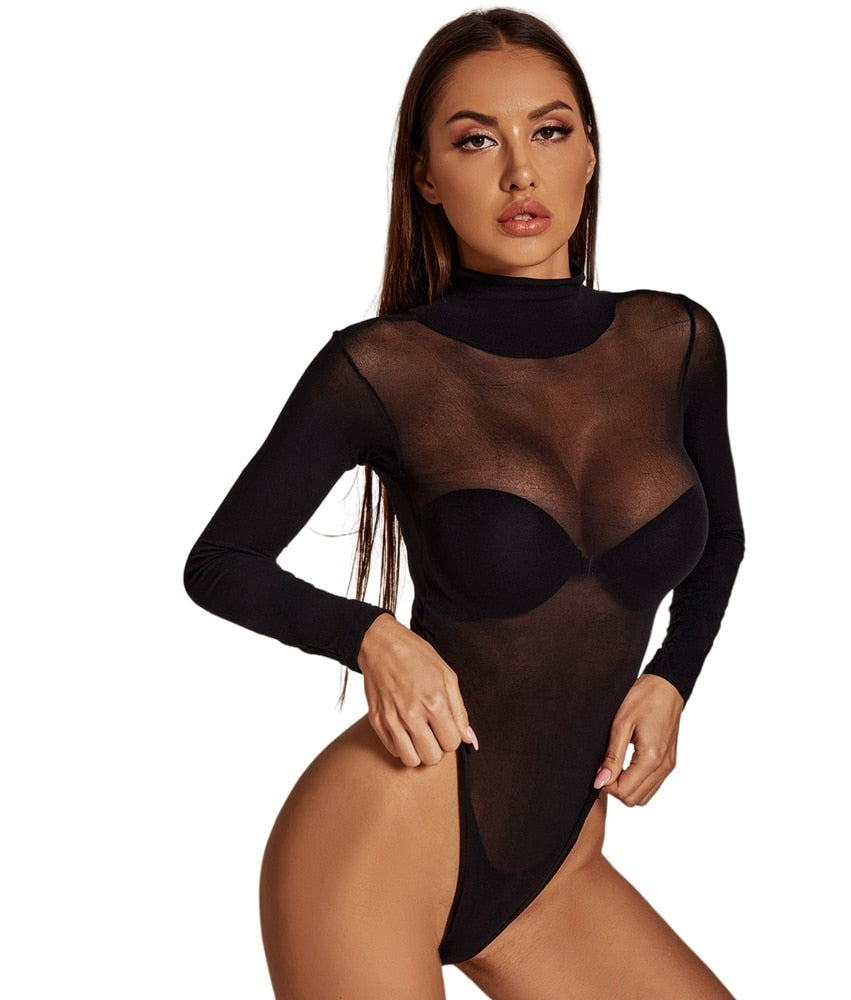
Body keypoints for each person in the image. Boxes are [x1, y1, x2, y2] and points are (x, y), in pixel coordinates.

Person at [183, 7, 745, 998]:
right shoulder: (382, 367)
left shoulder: (677, 342)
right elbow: (220, 563)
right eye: (477, 140)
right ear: (427, 177)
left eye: (549, 131)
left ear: (590, 154)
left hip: (553, 867)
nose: (520, 172)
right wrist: (371, 636)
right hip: (378, 843)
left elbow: (722, 541)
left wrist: (673, 677)